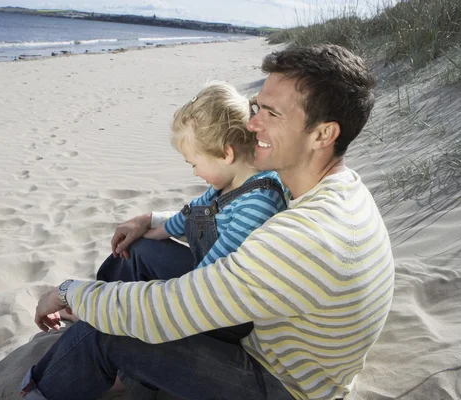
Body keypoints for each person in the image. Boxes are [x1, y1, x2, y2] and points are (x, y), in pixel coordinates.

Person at [21, 44, 395, 400]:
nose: (252, 125)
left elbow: (165, 312)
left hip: (283, 384)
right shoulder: (326, 184)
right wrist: (152, 220)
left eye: (272, 114)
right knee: (142, 253)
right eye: (256, 107)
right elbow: (222, 205)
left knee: (107, 334)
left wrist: (69, 291)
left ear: (323, 134)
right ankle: (101, 360)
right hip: (271, 333)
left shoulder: (303, 237)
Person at [98, 81, 287, 345]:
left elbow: (213, 279)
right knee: (139, 248)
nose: (195, 172)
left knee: (143, 260)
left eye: (195, 163)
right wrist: (150, 226)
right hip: (208, 282)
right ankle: (105, 302)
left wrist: (161, 294)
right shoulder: (229, 182)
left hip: (229, 312)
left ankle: (108, 318)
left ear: (225, 153)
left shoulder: (258, 203)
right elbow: (192, 215)